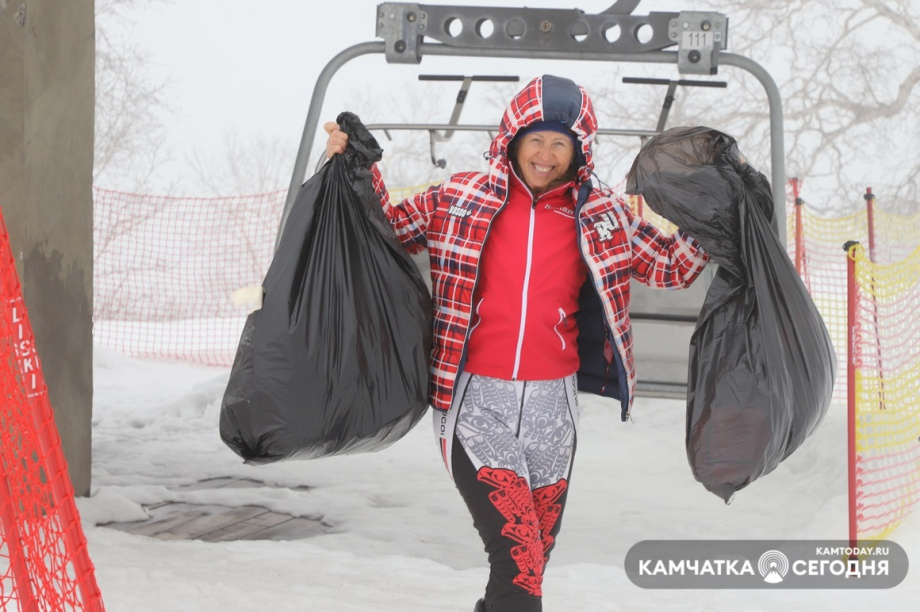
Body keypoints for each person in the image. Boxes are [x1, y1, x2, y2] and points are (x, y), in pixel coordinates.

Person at [325, 74, 708, 612]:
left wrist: (721, 213)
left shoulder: (602, 213)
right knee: (521, 569)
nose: (546, 153)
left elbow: (671, 267)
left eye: (560, 142)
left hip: (555, 408)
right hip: (475, 400)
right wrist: (356, 166)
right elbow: (381, 229)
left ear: (579, 150)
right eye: (535, 138)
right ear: (511, 137)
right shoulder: (460, 196)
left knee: (526, 569)